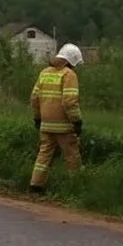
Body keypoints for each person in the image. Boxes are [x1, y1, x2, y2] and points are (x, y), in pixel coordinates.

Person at [29, 43, 84, 193]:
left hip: (46, 125)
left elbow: (34, 98)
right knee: (72, 156)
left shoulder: (44, 73)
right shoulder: (69, 75)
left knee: (44, 155)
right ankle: (77, 187)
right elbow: (69, 102)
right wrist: (77, 121)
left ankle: (36, 185)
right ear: (71, 61)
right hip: (64, 127)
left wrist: (37, 118)